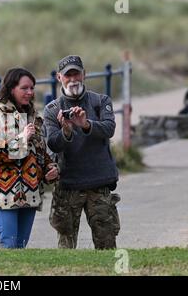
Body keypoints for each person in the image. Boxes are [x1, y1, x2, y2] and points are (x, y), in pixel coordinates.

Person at [43, 55, 120, 250]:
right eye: (68, 75)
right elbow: (53, 144)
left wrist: (85, 125)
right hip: (68, 186)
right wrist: (67, 131)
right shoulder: (52, 110)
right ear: (59, 77)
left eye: (76, 73)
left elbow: (109, 128)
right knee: (66, 247)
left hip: (99, 183)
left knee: (107, 245)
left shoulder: (100, 101)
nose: (73, 79)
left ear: (84, 75)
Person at [0, 67, 59, 248]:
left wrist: (50, 168)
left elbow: (40, 152)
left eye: (32, 88)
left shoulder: (34, 117)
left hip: (30, 193)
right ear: (11, 89)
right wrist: (22, 139)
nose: (30, 92)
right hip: (4, 195)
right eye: (24, 88)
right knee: (8, 245)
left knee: (21, 247)